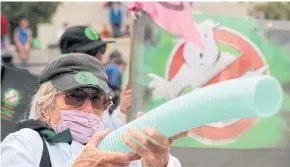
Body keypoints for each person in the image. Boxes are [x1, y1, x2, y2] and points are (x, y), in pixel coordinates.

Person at [1, 54, 184, 167]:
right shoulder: (25, 144)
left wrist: (158, 162)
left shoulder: (117, 144)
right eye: (75, 95)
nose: (88, 108)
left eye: (97, 98)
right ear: (45, 105)